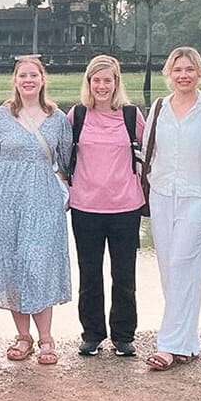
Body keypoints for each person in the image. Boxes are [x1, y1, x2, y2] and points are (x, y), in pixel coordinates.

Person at [0, 56, 72, 366]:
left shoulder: (57, 117)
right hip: (2, 199)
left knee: (38, 263)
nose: (29, 80)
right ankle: (23, 336)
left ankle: (47, 336)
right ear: (15, 80)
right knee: (12, 264)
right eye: (23, 75)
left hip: (43, 199)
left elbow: (66, 160)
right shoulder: (0, 116)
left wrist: (58, 188)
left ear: (43, 79)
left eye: (34, 75)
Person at [143, 47, 201, 371]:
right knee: (170, 269)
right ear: (169, 73)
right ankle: (187, 342)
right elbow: (148, 148)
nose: (184, 75)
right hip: (162, 194)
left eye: (190, 69)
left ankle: (168, 345)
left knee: (182, 264)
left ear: (200, 72)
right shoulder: (160, 107)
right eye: (178, 70)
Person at [67, 55, 145, 358]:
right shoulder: (77, 116)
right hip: (85, 206)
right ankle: (92, 333)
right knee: (89, 273)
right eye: (96, 80)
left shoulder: (130, 115)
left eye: (107, 80)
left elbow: (152, 150)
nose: (102, 86)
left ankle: (124, 335)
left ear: (116, 83)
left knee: (124, 274)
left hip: (125, 206)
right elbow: (63, 154)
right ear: (89, 83)